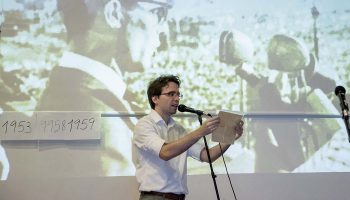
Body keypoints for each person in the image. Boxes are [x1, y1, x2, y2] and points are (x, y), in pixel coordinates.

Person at [4, 0, 174, 179]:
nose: (164, 32)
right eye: (158, 13)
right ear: (114, 13)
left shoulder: (66, 92)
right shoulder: (101, 120)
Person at [220, 31, 340, 172]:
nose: (285, 86)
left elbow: (340, 136)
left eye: (291, 79)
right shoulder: (270, 96)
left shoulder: (317, 96)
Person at [132, 74, 244, 199]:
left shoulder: (179, 129)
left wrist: (230, 138)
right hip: (155, 197)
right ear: (155, 99)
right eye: (171, 94)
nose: (176, 99)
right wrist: (201, 131)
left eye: (178, 94)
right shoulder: (144, 124)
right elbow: (165, 152)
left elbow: (206, 156)